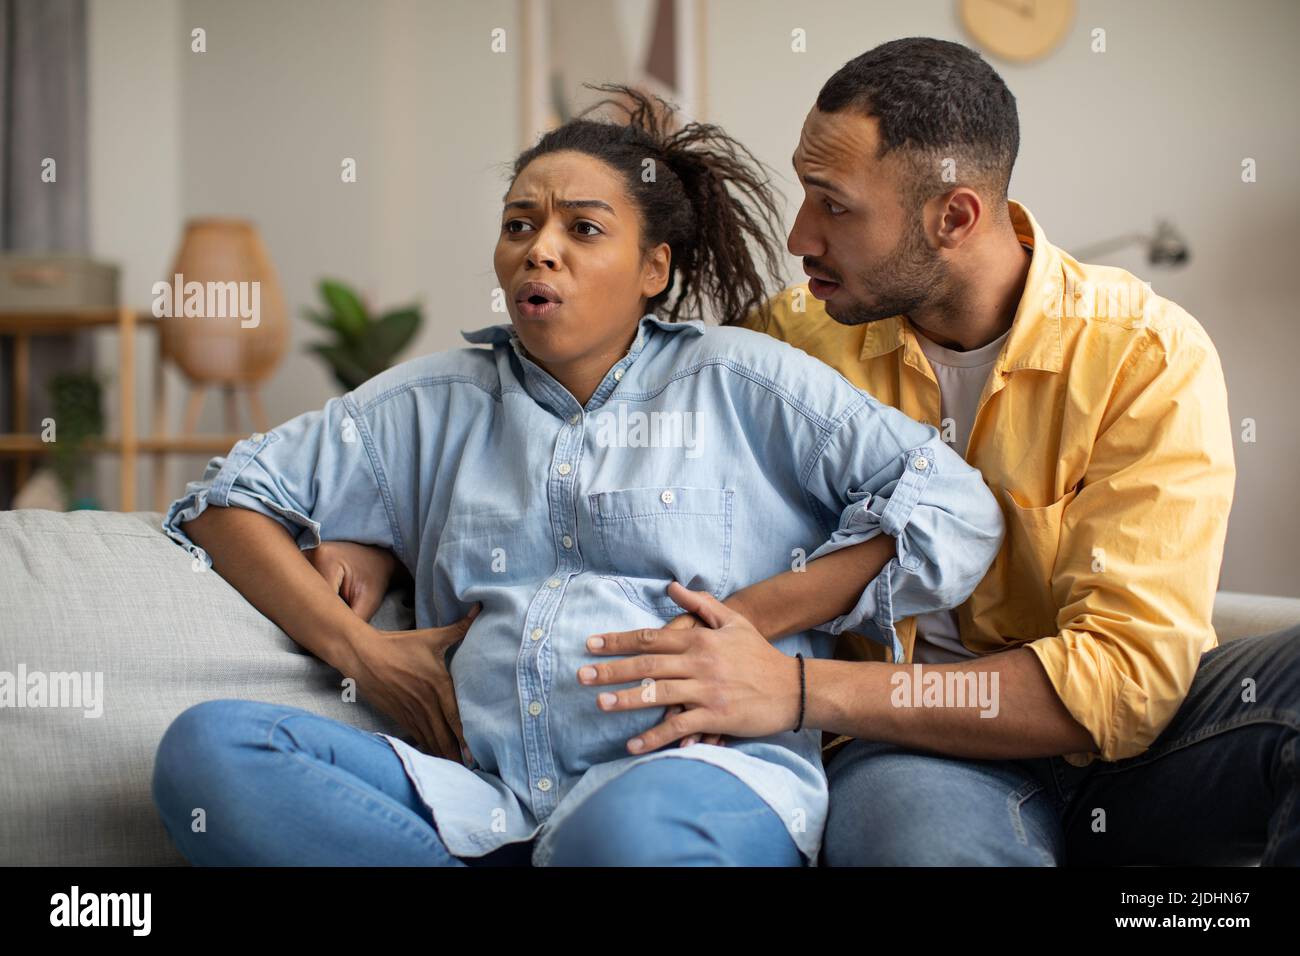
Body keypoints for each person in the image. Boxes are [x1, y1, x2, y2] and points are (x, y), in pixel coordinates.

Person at [150, 84, 1005, 867]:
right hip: (483, 801)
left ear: (653, 270)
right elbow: (224, 502)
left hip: (702, 781)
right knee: (214, 751)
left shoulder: (744, 381)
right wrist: (363, 654)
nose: (538, 251)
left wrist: (752, 617)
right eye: (519, 225)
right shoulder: (431, 402)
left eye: (582, 229)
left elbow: (951, 507)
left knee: (622, 836)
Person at [573, 38, 1298, 866]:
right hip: (915, 751)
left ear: (954, 217)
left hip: (1138, 756)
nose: (799, 236)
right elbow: (608, 451)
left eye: (833, 205)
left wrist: (803, 691)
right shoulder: (790, 345)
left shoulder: (1146, 352)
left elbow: (1124, 684)